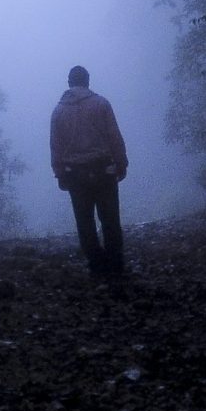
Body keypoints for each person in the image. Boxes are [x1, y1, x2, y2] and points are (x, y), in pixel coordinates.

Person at [50, 65, 129, 277]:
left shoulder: (58, 111)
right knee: (110, 218)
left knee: (85, 222)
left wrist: (59, 173)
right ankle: (115, 266)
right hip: (104, 170)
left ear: (69, 83)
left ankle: (96, 265)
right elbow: (114, 137)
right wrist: (122, 164)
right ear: (87, 81)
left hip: (75, 174)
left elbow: (56, 146)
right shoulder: (102, 104)